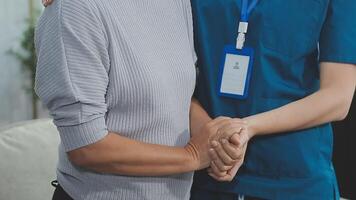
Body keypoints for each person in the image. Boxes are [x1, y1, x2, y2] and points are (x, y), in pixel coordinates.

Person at [35, 0, 247, 200]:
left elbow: (179, 96)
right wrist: (192, 155)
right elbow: (85, 147)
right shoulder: (74, 9)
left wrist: (217, 141)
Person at [190, 0, 356, 199]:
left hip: (292, 179)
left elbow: (338, 97)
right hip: (207, 172)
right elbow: (172, 83)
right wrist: (216, 137)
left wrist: (248, 127)